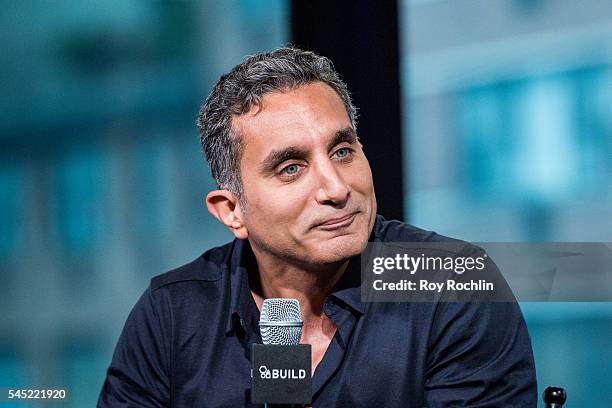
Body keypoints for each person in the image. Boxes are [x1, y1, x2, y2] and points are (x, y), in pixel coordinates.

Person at [98, 47, 537, 407]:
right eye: (291, 168)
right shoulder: (173, 312)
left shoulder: (452, 285)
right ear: (232, 211)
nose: (336, 187)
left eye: (343, 151)